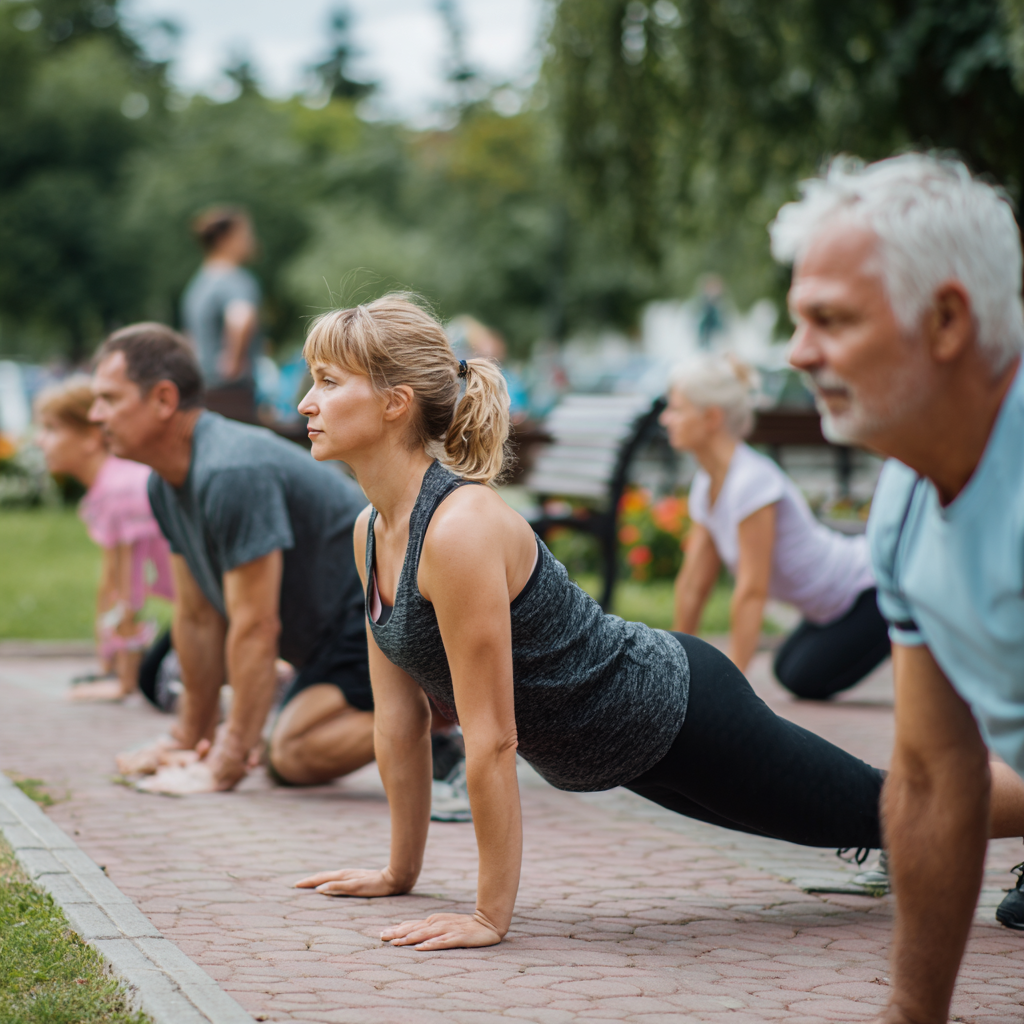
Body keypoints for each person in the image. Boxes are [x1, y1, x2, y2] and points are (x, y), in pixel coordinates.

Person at [288, 295, 1024, 952]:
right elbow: (397, 722)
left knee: (889, 808)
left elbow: (492, 739)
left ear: (395, 403)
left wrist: (489, 916)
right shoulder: (371, 531)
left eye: (327, 381)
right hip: (630, 755)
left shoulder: (458, 529)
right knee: (875, 818)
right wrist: (398, 871)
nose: (305, 403)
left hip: (679, 709)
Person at [774, 153, 1024, 1022]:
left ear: (947, 318)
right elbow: (928, 774)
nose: (798, 351)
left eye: (830, 320)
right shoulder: (908, 492)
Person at [88, 323, 375, 794]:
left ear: (163, 400)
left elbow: (256, 625)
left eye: (109, 399)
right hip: (328, 645)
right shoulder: (165, 484)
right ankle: (428, 719)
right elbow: (198, 617)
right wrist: (189, 737)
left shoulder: (230, 471)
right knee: (288, 745)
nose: (95, 415)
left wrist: (230, 755)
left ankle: (448, 715)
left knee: (291, 754)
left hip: (375, 625)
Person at [662, 354, 889, 697]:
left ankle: (920, 616)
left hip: (870, 589)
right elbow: (694, 584)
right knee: (787, 671)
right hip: (828, 608)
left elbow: (752, 591)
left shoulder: (751, 482)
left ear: (711, 417)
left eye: (676, 409)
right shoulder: (706, 486)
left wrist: (728, 693)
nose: (666, 419)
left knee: (803, 678)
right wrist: (671, 675)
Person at [34, 376, 173, 701]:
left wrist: (122, 683)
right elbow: (113, 580)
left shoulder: (120, 489)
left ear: (91, 438)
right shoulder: (116, 481)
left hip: (209, 604)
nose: (40, 441)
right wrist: (105, 659)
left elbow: (129, 587)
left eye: (52, 429)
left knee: (154, 681)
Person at [181, 206, 262, 424]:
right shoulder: (234, 279)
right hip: (233, 391)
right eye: (245, 235)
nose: (251, 241)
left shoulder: (198, 284)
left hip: (206, 389)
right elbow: (241, 318)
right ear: (224, 239)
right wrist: (233, 366)